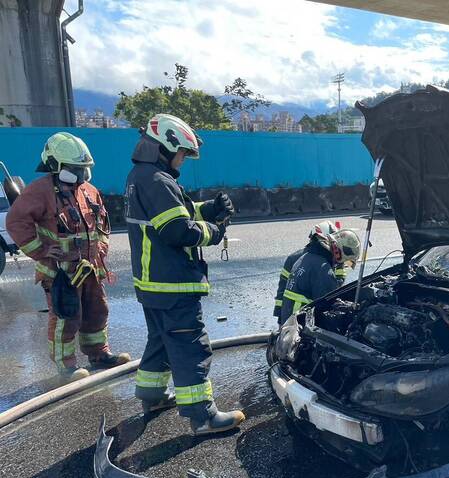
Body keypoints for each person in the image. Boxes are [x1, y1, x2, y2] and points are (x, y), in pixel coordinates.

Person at [125, 113, 244, 435]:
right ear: (165, 146)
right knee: (190, 346)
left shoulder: (144, 176)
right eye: (182, 153)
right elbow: (177, 230)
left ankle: (151, 396)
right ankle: (203, 417)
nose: (183, 160)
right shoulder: (158, 181)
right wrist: (216, 231)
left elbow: (176, 213)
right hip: (172, 284)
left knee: (162, 341)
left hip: (153, 284)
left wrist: (209, 207)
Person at [6, 132, 130, 382]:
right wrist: (40, 251)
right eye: (76, 170)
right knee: (66, 316)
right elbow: (16, 221)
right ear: (56, 166)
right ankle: (66, 367)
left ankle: (99, 353)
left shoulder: (89, 191)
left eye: (85, 170)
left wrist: (101, 250)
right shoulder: (39, 192)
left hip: (89, 268)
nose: (82, 176)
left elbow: (101, 224)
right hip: (61, 272)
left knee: (97, 312)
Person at [279, 228, 361, 325]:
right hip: (301, 323)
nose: (341, 264)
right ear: (337, 251)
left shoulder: (308, 256)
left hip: (290, 319)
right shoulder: (323, 269)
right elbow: (328, 305)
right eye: (344, 260)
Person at [272, 220, 346, 320]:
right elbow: (333, 290)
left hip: (289, 312)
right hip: (302, 316)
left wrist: (280, 316)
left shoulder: (294, 257)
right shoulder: (321, 260)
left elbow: (282, 289)